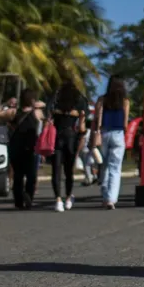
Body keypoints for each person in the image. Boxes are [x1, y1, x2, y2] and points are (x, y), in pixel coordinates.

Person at [49, 81, 89, 212]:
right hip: (71, 137)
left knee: (56, 171)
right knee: (68, 171)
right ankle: (67, 199)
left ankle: (58, 200)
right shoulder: (79, 101)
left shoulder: (55, 100)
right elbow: (82, 124)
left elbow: (48, 116)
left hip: (56, 137)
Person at [94, 76, 130, 209]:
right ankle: (111, 199)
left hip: (104, 133)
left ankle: (105, 195)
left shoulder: (102, 99)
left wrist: (95, 133)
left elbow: (96, 118)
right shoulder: (125, 101)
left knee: (104, 165)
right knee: (115, 168)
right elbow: (125, 123)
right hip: (118, 134)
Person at [6, 89, 44, 209]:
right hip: (31, 147)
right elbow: (47, 116)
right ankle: (28, 197)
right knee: (31, 175)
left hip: (16, 147)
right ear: (32, 99)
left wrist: (5, 103)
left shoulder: (13, 112)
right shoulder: (37, 113)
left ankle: (19, 201)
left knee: (18, 176)